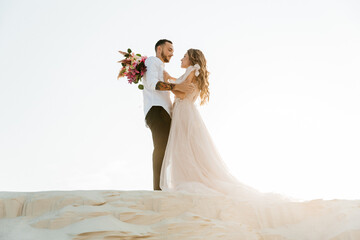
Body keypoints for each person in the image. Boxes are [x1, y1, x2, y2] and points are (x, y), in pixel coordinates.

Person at [143, 39, 194, 191]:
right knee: (161, 148)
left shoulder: (160, 66)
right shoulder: (153, 61)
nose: (172, 53)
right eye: (169, 50)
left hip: (162, 110)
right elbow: (153, 84)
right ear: (160, 49)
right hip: (156, 110)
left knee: (166, 149)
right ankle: (158, 189)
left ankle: (163, 186)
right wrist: (177, 86)